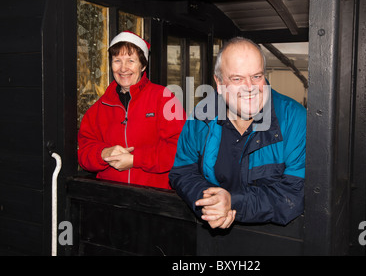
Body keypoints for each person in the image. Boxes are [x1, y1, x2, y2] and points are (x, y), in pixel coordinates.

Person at [169, 37, 306, 229]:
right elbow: (183, 170)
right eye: (237, 79)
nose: (249, 87)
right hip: (211, 237)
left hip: (277, 239)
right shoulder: (201, 115)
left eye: (256, 76)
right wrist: (208, 202)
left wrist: (232, 202)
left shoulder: (295, 119)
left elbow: (295, 193)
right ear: (218, 82)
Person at [78, 31, 185, 189]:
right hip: (110, 198)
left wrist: (135, 160)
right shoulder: (100, 107)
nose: (123, 68)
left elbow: (181, 149)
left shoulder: (164, 98)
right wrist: (103, 154)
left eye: (131, 61)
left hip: (154, 198)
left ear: (143, 65)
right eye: (117, 61)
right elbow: (83, 153)